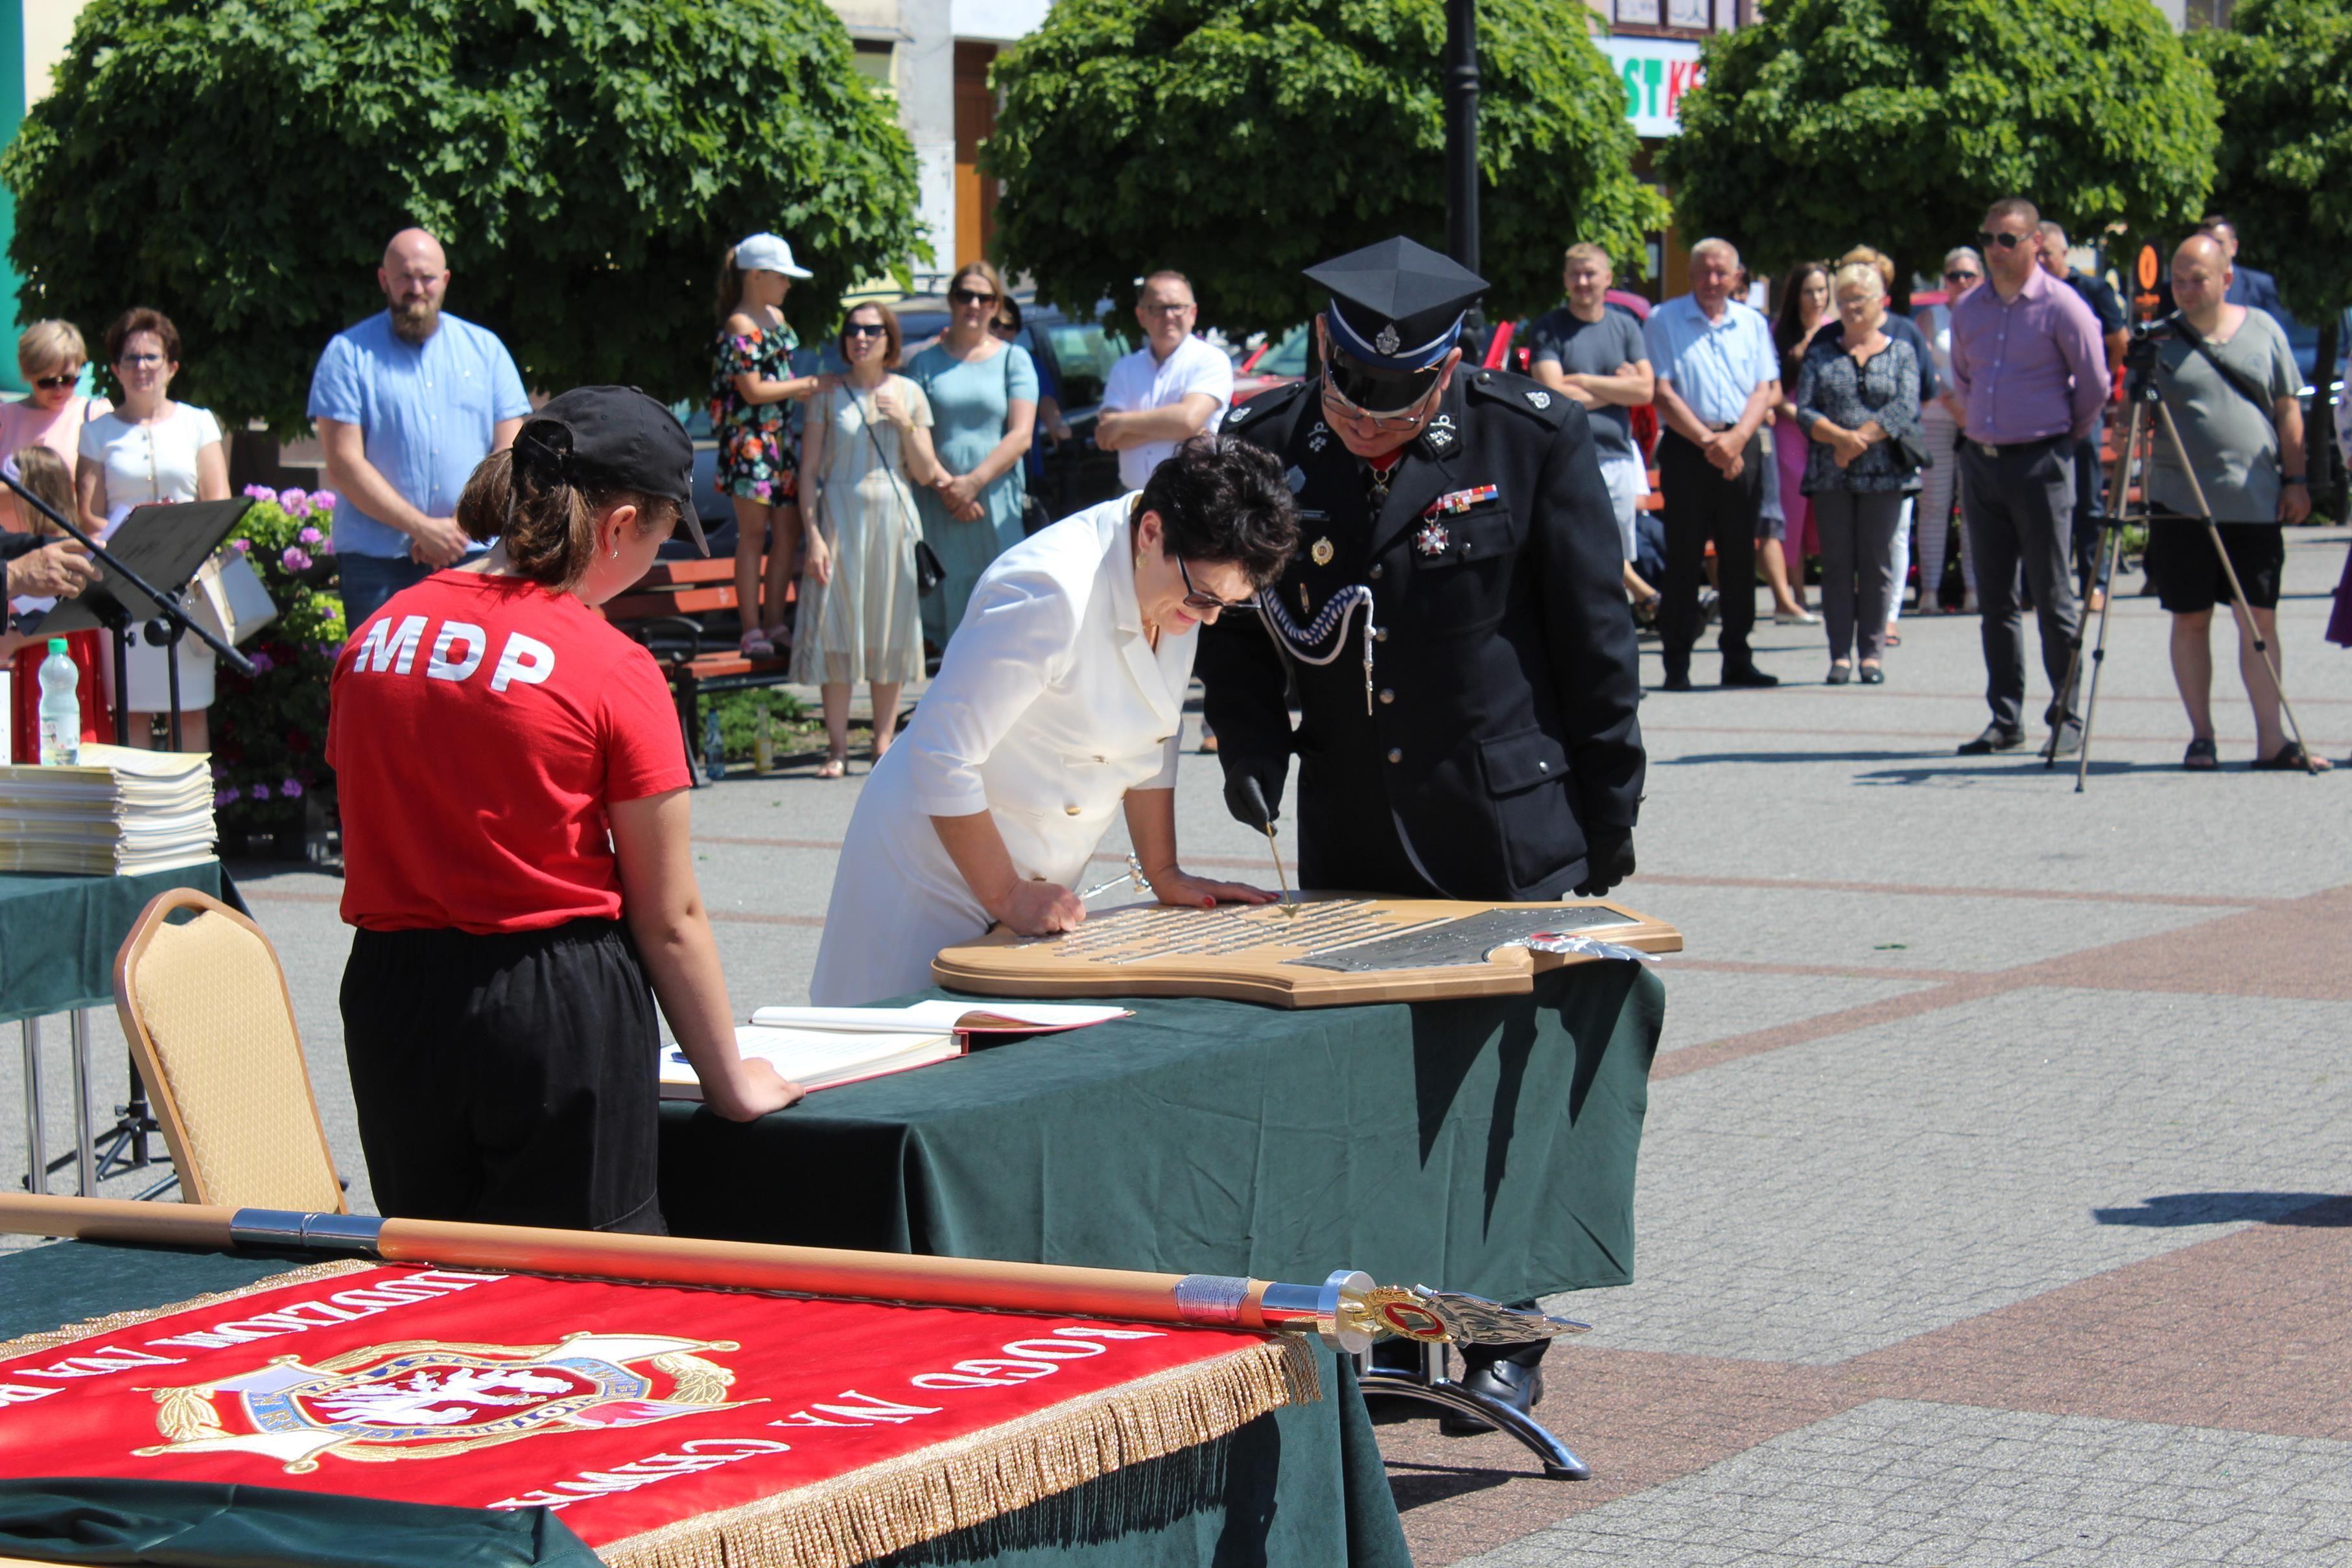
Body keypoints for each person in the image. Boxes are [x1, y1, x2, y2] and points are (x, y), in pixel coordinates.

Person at [1199, 236, 1644, 1426]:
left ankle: (1503, 1329)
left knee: (1506, 1090)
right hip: (1355, 826)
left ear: (1446, 373)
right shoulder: (1275, 442)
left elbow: (1594, 645)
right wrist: (1249, 751)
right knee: (1378, 1095)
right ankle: (1395, 1326)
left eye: (1395, 405)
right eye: (1350, 396)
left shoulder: (1529, 437)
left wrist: (1607, 826)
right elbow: (1236, 627)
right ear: (1323, 362)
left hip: (1505, 826)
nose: (1365, 424)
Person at [327, 387, 799, 1231]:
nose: (651, 563)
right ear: (617, 527)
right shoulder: (610, 665)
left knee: (437, 1286)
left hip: (392, 997)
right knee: (588, 1294)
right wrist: (728, 1078)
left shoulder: (375, 637)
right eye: (657, 540)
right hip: (551, 1000)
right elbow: (670, 914)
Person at [812, 435, 1291, 1007]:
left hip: (1028, 884)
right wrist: (1008, 894)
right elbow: (942, 756)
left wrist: (1164, 871)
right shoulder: (1050, 589)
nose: (1208, 620)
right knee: (891, 1066)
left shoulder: (1177, 579)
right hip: (927, 872)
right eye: (1202, 598)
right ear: (1150, 533)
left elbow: (1154, 731)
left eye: (1227, 605)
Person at [2148, 235, 2325, 773]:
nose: (2185, 288)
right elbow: (2132, 420)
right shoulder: (2157, 341)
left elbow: (2287, 409)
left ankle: (2271, 740)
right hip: (2181, 501)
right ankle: (2202, 735)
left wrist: (2297, 480)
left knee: (2259, 621)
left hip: (2252, 500)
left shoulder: (2263, 331)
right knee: (2190, 618)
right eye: (2177, 279)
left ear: (2226, 278)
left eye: (2196, 277)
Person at [1946, 197, 2107, 758]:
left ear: (2035, 243)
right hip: (1983, 462)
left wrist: (2060, 438)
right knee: (1995, 600)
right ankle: (2005, 717)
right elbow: (1963, 378)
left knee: (2054, 594)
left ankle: (2066, 716)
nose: (1995, 249)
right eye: (1988, 238)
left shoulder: (2064, 307)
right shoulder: (1969, 309)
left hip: (2042, 463)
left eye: (2007, 239)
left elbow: (2094, 386)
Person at [311, 229, 531, 631]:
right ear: (383, 280)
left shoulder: (487, 351)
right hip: (377, 566)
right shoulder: (346, 355)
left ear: (445, 280)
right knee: (379, 691)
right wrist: (422, 528)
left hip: (473, 555)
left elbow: (509, 453)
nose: (416, 289)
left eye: (427, 278)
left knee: (467, 691)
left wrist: (458, 528)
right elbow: (343, 462)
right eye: (404, 278)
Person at [794, 303, 944, 778]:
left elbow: (924, 472)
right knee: (835, 628)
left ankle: (883, 743)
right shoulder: (827, 394)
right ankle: (836, 748)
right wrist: (813, 534)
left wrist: (905, 422)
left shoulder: (911, 393)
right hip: (839, 515)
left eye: (872, 330)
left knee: (890, 628)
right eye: (854, 329)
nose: (862, 337)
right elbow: (809, 472)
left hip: (893, 515)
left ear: (889, 338)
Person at [75, 307, 228, 751]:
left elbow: (217, 501)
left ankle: (196, 816)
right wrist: (139, 533)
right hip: (124, 577)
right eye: (130, 358)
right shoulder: (97, 432)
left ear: (172, 365)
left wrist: (177, 538)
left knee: (192, 706)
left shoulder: (199, 422)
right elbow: (87, 514)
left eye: (151, 357)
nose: (141, 367)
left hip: (188, 578)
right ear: (115, 369)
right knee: (134, 707)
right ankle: (137, 817)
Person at [1645, 239, 1782, 688]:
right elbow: (1662, 391)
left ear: (1737, 277)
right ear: (1690, 274)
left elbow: (1765, 387)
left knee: (1740, 557)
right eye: (1703, 271)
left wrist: (1737, 439)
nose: (1711, 281)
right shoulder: (1664, 319)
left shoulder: (1752, 323)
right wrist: (1712, 443)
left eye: (1721, 272)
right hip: (1690, 448)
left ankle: (1738, 658)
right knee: (1683, 558)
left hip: (1741, 446)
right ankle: (1676, 663)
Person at [1794, 263, 1923, 686]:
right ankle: (1839, 657)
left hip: (1885, 476)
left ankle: (1871, 653)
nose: (1851, 307)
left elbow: (1905, 407)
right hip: (1833, 474)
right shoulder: (1821, 352)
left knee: (1877, 564)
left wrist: (1858, 442)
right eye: (1844, 299)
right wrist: (1838, 440)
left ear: (1880, 302)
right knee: (1836, 565)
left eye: (1859, 299)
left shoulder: (1901, 351)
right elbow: (1806, 409)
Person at [910, 261, 1036, 650]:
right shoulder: (924, 363)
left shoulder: (1014, 359)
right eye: (966, 295)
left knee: (1003, 604)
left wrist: (973, 483)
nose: (975, 304)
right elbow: (914, 435)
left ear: (996, 305)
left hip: (995, 503)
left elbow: (1021, 436)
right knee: (950, 612)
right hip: (940, 504)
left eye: (985, 297)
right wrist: (949, 488)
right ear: (951, 300)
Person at [710, 233, 826, 658]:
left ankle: (776, 623)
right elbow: (755, 390)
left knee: (787, 533)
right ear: (756, 276)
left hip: (779, 440)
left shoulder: (777, 317)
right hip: (750, 443)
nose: (788, 284)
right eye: (781, 276)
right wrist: (810, 385)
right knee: (754, 534)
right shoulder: (740, 324)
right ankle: (751, 629)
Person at [1530, 243, 1659, 612]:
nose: (1583, 282)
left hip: (1617, 455)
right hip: (1567, 455)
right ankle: (1632, 601)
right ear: (1565, 279)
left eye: (1590, 274)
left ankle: (1623, 617)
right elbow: (1553, 393)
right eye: (1575, 274)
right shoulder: (1549, 328)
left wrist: (1584, 379)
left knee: (1614, 548)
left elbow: (1645, 390)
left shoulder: (1626, 325)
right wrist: (1618, 388)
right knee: (1578, 546)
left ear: (1607, 278)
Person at [1835, 246, 1942, 646]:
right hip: (1840, 457)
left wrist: (1869, 432)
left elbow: (1923, 395)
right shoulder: (1834, 333)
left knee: (1894, 538)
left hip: (1893, 453)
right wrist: (1842, 438)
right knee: (1848, 544)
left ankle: (1888, 616)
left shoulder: (1905, 331)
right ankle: (1848, 623)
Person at [2, 447, 114, 759]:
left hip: (55, 661)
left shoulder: (58, 552)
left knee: (58, 742)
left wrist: (11, 639)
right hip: (49, 660)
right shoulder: (51, 544)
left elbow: (63, 620)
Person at [2037, 222, 2125, 611]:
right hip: (2041, 413)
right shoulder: (2028, 296)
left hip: (2082, 408)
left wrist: (2098, 380)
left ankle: (2095, 582)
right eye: (2036, 255)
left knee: (2088, 500)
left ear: (2064, 254)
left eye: (2048, 255)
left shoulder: (2091, 291)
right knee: (2041, 502)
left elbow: (2118, 342)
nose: (2041, 262)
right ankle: (2041, 587)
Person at [1097, 272, 1233, 494]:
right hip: (1132, 500)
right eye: (1158, 308)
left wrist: (1122, 423)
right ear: (1141, 316)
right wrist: (1177, 428)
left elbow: (1188, 420)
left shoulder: (1212, 360)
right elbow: (1107, 436)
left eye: (1177, 306)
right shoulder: (1124, 368)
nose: (1169, 315)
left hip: (1194, 497)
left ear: (1193, 313)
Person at [1912, 248, 1982, 615]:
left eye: (1969, 275)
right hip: (1938, 420)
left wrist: (1970, 410)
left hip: (1979, 423)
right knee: (1935, 506)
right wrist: (1952, 402)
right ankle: (1929, 593)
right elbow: (1926, 367)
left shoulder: (1989, 316)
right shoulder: (1931, 317)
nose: (1962, 282)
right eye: (1955, 275)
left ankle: (1974, 591)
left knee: (1976, 508)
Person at [1769, 262, 1833, 625]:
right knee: (1792, 511)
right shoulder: (1778, 333)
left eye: (1823, 290)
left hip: (1827, 433)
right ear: (1796, 295)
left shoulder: (1834, 332)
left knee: (1822, 516)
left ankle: (1826, 589)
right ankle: (1795, 594)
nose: (1818, 298)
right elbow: (1771, 390)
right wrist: (1801, 417)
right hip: (1790, 431)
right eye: (1810, 291)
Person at [994, 298, 1074, 524]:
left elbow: (1046, 401)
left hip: (1025, 475)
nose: (1000, 330)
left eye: (1007, 325)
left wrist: (1058, 427)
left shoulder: (1025, 362)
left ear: (1017, 330)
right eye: (994, 323)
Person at [0, 322, 112, 473]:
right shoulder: (5, 418)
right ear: (28, 374)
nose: (58, 389)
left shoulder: (95, 415)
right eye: (47, 381)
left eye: (68, 380)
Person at [2198, 216, 2291, 333]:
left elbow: (2276, 336)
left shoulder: (2259, 286)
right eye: (2206, 243)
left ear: (2234, 247)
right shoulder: (2182, 289)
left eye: (2219, 243)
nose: (2212, 249)